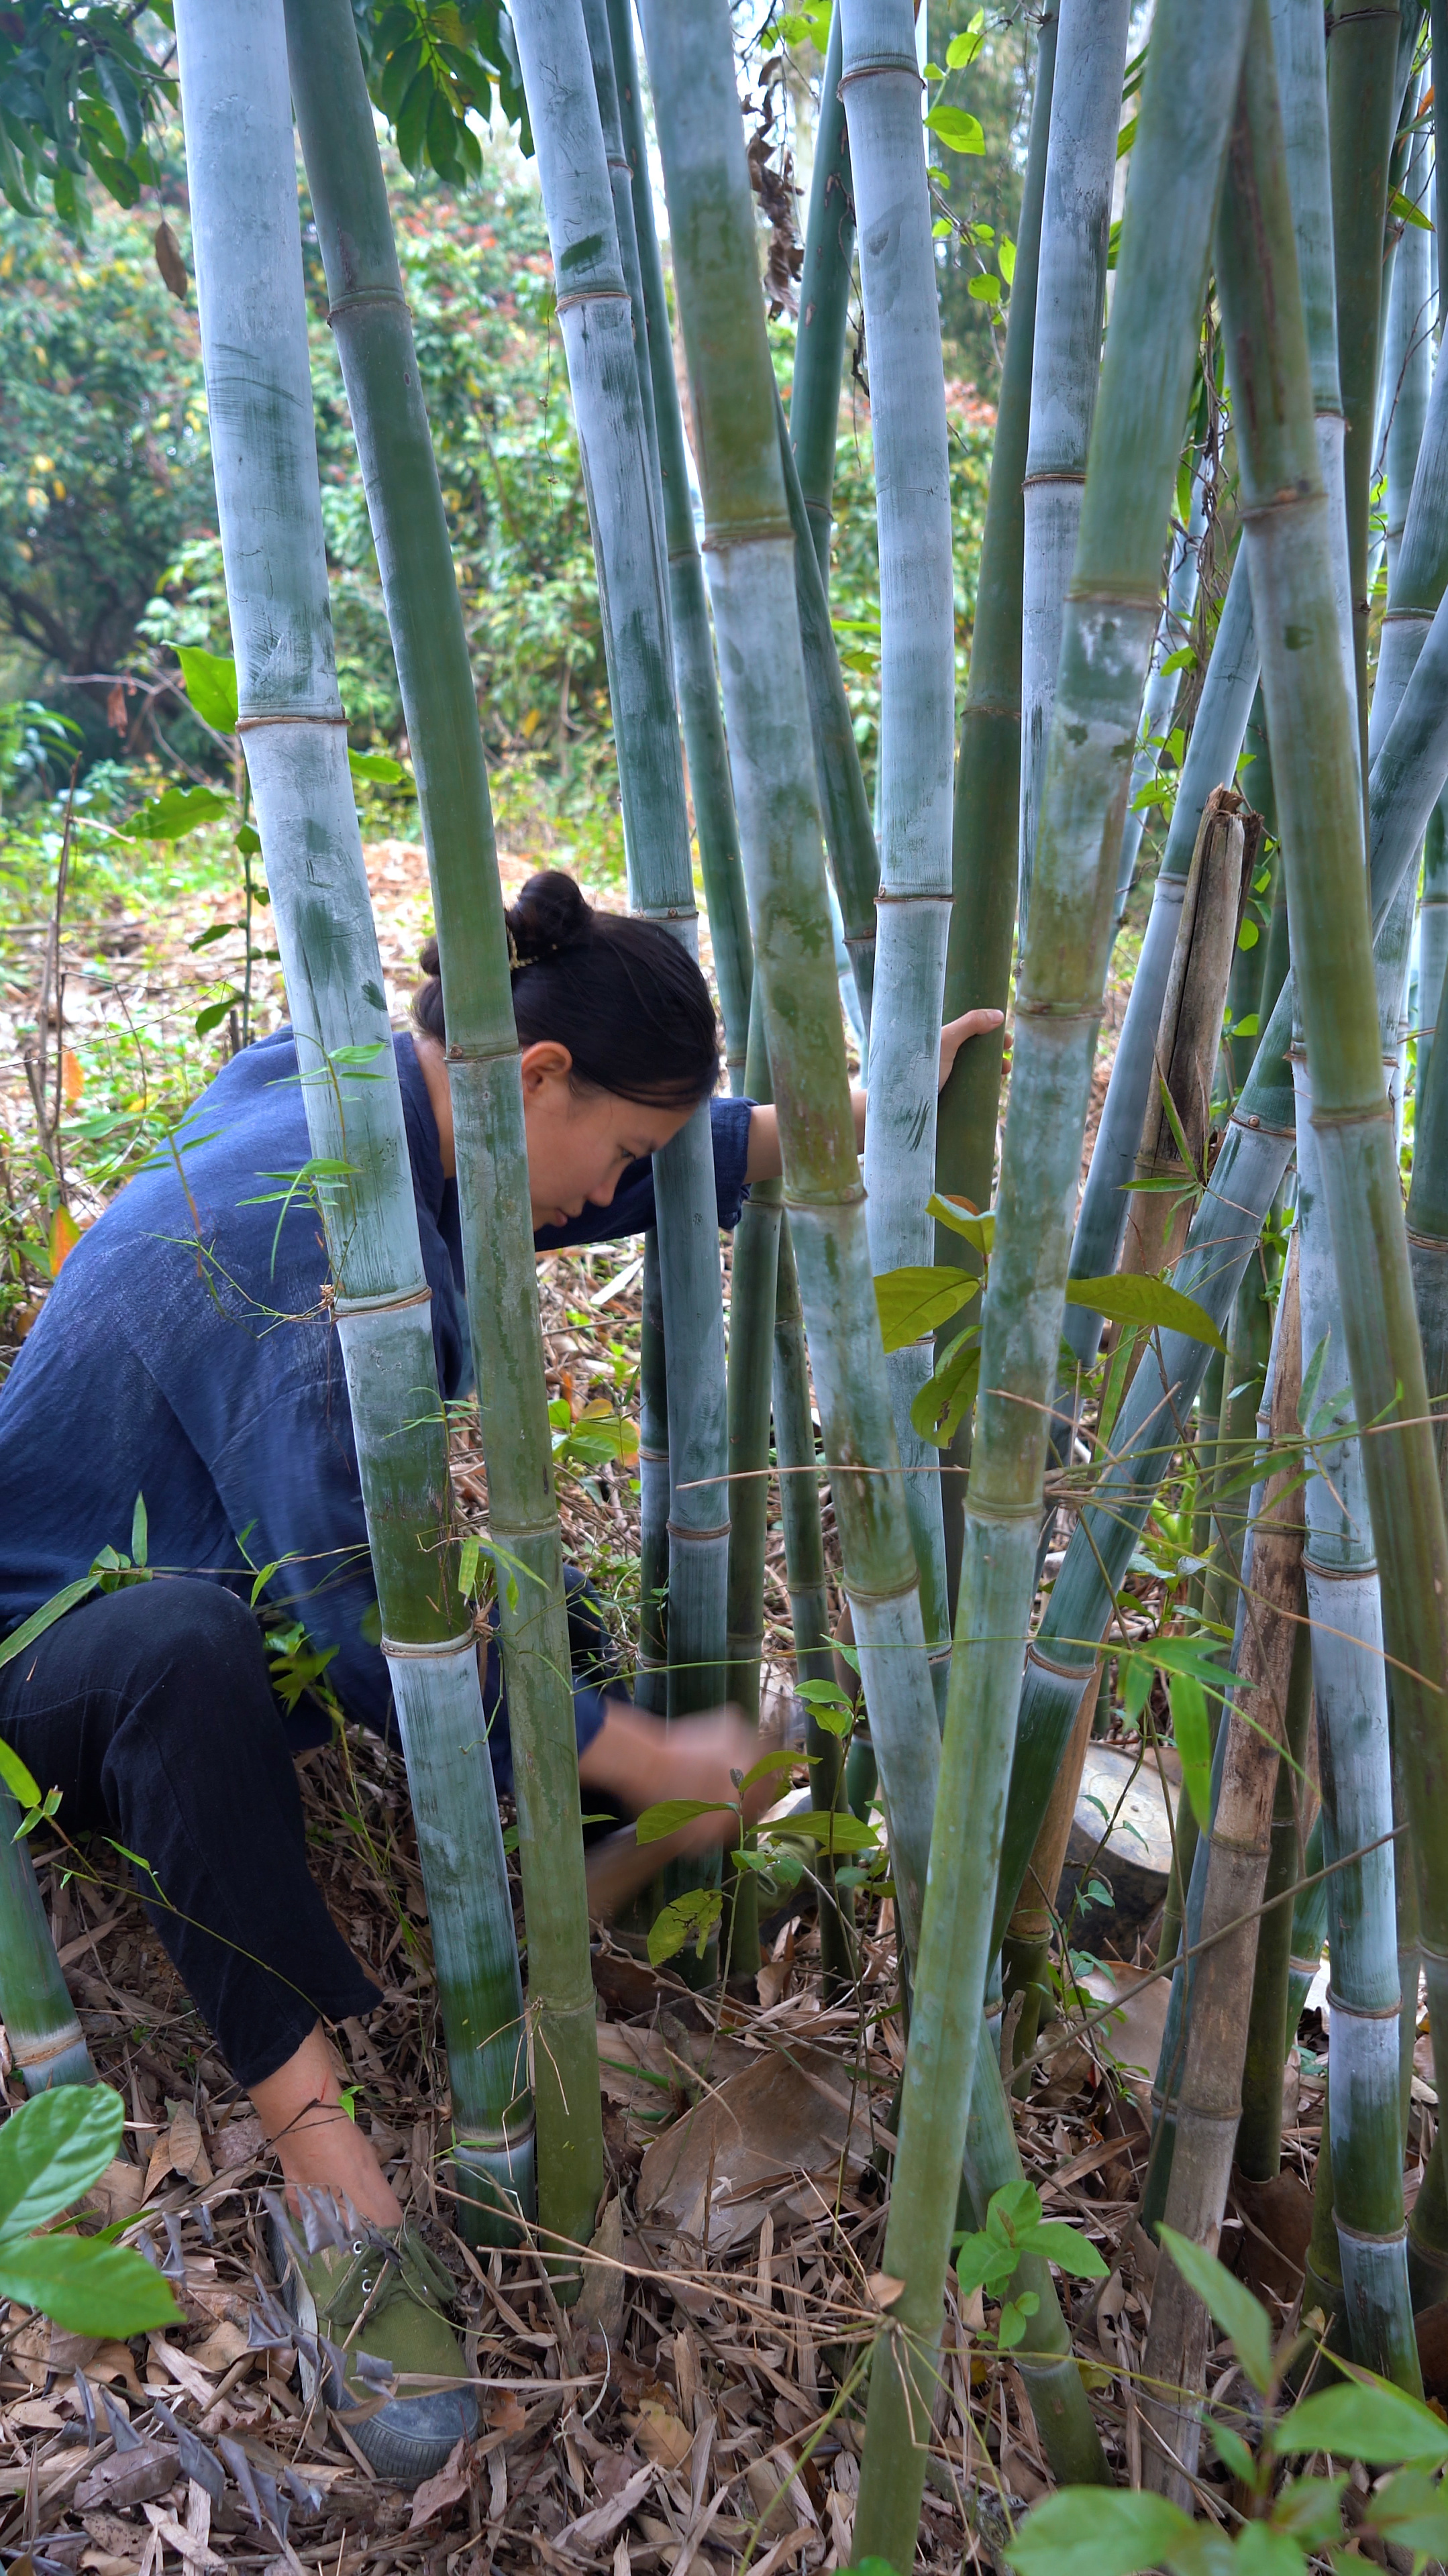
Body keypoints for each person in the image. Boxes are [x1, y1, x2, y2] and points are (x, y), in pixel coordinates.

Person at [0, 868, 1001, 2481]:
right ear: (536, 1073)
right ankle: (329, 2181)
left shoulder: (356, 1081)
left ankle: (567, 1922)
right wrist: (650, 1755)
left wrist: (817, 1127)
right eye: (626, 1150)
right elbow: (352, 1625)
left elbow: (546, 1185)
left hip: (203, 1558)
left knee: (521, 1589)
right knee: (196, 1652)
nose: (615, 1192)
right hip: (48, 1665)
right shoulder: (308, 1251)